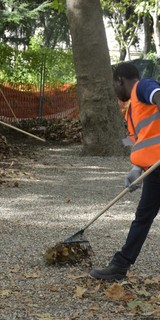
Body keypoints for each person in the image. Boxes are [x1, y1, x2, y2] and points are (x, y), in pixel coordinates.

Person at [90, 62, 160, 280]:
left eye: (114, 84)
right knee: (142, 217)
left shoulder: (143, 87)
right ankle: (120, 266)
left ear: (120, 79)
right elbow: (139, 142)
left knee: (143, 217)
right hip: (154, 170)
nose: (114, 90)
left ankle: (120, 264)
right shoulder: (131, 111)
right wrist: (136, 168)